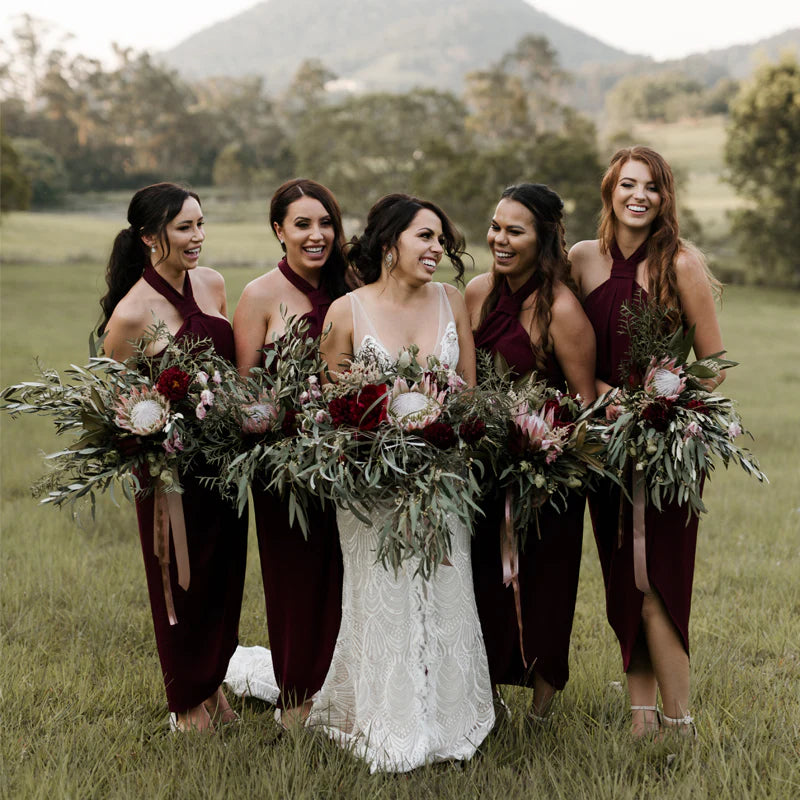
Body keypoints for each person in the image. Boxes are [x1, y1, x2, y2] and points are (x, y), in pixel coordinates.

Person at [312, 193, 494, 772]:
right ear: (390, 244)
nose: (438, 249)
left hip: (445, 478)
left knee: (446, 588)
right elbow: (333, 408)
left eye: (440, 239)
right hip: (373, 488)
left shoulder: (452, 299)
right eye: (425, 237)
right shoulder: (346, 311)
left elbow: (467, 390)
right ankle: (388, 719)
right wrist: (376, 443)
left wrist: (447, 437)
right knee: (382, 596)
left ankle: (448, 717)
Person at [568, 146, 725, 738]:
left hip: (663, 448)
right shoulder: (583, 259)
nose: (639, 196)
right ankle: (640, 719)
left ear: (665, 198)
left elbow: (714, 363)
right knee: (621, 582)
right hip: (601, 447)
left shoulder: (680, 264)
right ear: (609, 189)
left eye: (652, 187)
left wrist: (663, 402)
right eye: (628, 184)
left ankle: (680, 722)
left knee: (658, 580)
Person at [100, 182, 247, 733]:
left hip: (225, 468)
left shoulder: (213, 283)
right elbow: (112, 404)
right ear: (148, 237)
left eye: (201, 225)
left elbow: (228, 369)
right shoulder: (133, 313)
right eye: (185, 227)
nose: (198, 237)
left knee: (223, 582)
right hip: (171, 478)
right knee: (179, 584)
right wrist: (155, 446)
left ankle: (213, 683)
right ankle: (188, 703)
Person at [464, 183, 596, 721]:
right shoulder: (476, 292)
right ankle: (487, 694)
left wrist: (544, 447)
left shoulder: (561, 309)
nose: (499, 238)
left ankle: (543, 703)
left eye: (514, 231)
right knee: (479, 579)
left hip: (549, 476)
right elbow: (465, 381)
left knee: (547, 582)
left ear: (542, 239)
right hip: (483, 469)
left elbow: (583, 401)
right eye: (496, 226)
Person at [232, 179, 350, 727]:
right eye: (303, 224)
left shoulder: (354, 284)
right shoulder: (259, 295)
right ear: (279, 231)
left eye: (325, 223)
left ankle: (350, 690)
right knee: (296, 579)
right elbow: (243, 390)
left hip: (356, 457)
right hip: (286, 466)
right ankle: (298, 699)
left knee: (352, 575)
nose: (317, 234)